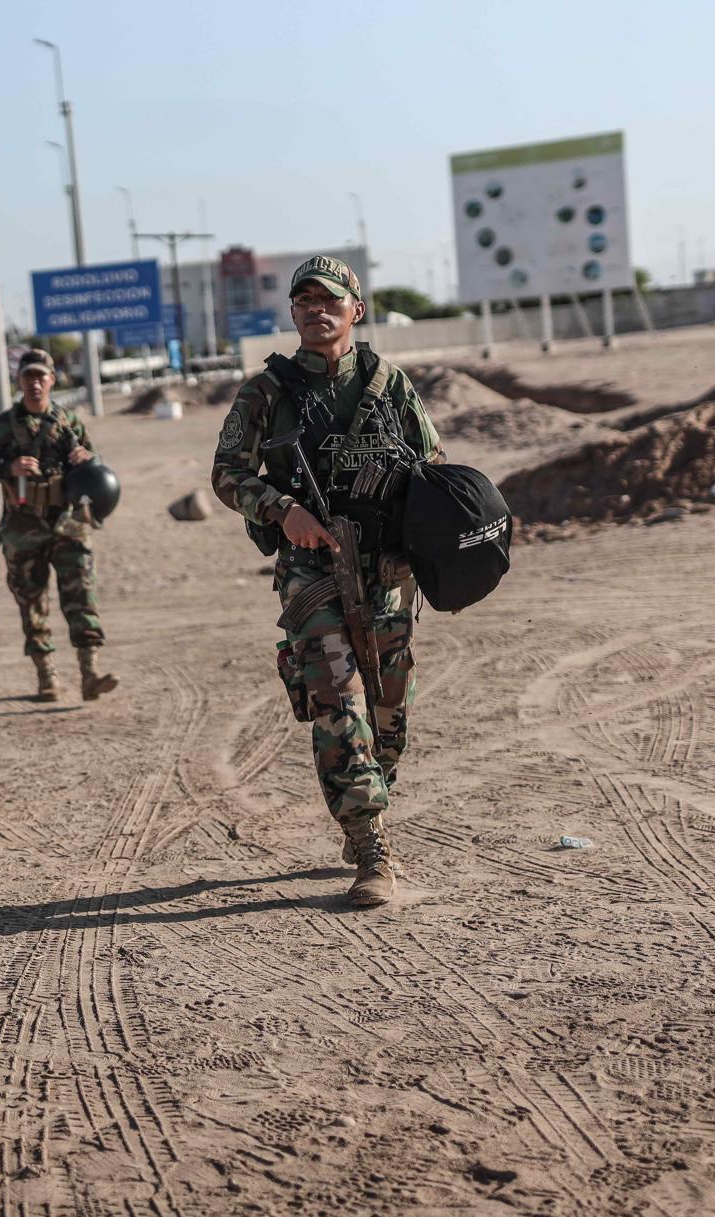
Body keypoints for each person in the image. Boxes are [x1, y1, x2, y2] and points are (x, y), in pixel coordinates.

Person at [210, 256, 444, 907]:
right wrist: (282, 510)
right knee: (337, 699)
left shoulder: (389, 384)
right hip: (310, 569)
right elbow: (227, 472)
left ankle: (370, 797)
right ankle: (370, 841)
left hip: (387, 568)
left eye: (330, 300)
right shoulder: (267, 392)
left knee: (389, 708)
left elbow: (434, 464)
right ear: (293, 313)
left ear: (356, 309)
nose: (318, 310)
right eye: (304, 300)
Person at [0, 350, 119, 702]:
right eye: (28, 377)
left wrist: (89, 459)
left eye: (41, 376)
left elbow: (96, 469)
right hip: (24, 529)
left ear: (53, 379)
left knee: (81, 597)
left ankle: (90, 671)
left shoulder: (69, 423)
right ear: (19, 382)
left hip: (68, 524)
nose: (35, 383)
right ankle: (46, 675)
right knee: (32, 603)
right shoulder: (2, 428)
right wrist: (9, 468)